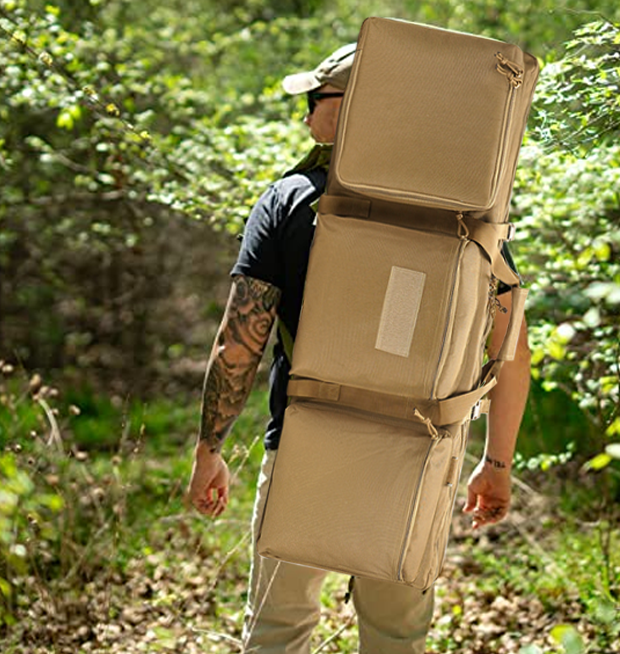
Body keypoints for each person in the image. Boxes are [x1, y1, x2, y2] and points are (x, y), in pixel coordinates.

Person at [186, 42, 532, 654]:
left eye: (315, 100)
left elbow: (239, 341)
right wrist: (496, 464)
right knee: (396, 639)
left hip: (306, 445)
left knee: (277, 634)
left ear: (356, 107)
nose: (305, 115)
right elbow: (509, 349)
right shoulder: (465, 216)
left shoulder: (289, 200)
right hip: (418, 458)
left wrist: (210, 448)